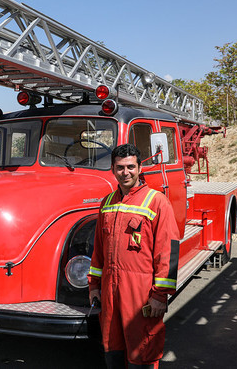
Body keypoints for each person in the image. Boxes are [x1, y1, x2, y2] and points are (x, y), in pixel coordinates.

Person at [88, 143, 180, 369]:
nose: (125, 172)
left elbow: (168, 250)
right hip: (110, 291)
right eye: (120, 167)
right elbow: (98, 249)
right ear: (113, 169)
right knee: (113, 347)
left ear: (140, 168)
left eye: (130, 167)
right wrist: (94, 286)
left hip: (140, 292)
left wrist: (160, 296)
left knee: (143, 350)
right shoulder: (107, 203)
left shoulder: (156, 201)